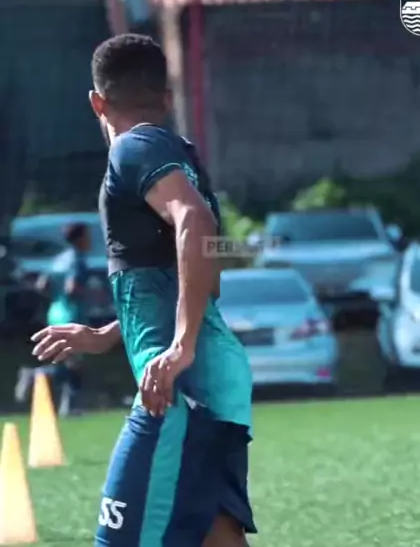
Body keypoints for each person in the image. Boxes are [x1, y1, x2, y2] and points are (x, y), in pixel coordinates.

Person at [31, 34, 255, 547]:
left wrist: (179, 347)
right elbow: (200, 267)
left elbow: (194, 223)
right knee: (215, 536)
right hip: (212, 379)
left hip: (180, 391)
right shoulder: (182, 157)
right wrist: (111, 333)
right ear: (168, 97)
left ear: (97, 102)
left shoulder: (134, 147)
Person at [15, 222, 90, 416]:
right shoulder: (77, 260)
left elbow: (42, 285)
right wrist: (89, 294)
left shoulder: (58, 260)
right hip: (72, 315)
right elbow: (72, 288)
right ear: (80, 238)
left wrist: (57, 298)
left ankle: (68, 406)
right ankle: (36, 376)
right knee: (74, 363)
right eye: (87, 236)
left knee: (68, 361)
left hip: (55, 313)